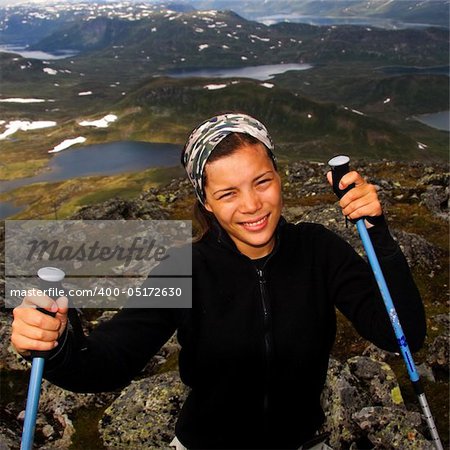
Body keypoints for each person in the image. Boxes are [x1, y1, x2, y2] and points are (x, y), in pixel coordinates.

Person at [11, 112, 426, 450]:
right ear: (206, 202)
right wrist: (58, 343)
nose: (252, 205)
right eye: (228, 193)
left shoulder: (319, 251)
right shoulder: (185, 268)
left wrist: (378, 233)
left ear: (279, 177)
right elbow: (107, 364)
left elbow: (401, 333)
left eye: (261, 182)